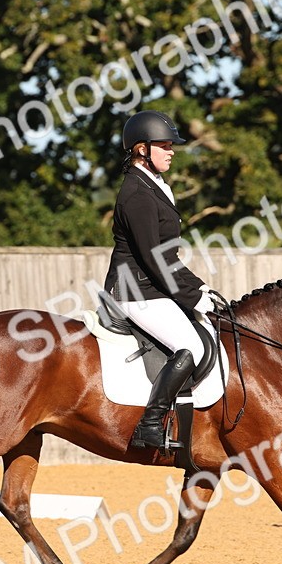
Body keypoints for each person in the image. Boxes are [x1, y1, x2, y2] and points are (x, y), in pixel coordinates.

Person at [103, 110, 218, 449]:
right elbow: (155, 257)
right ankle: (150, 425)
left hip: (150, 287)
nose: (172, 152)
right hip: (135, 290)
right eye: (165, 146)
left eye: (172, 146)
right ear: (142, 149)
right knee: (193, 347)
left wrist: (199, 288)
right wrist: (191, 296)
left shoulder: (153, 187)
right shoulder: (137, 194)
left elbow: (167, 256)